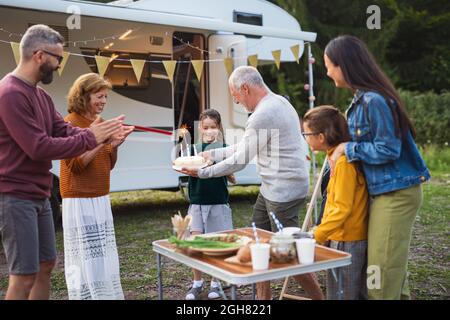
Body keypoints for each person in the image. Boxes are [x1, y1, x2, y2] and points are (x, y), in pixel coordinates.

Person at [0, 24, 124, 300]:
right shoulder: (10, 93)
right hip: (14, 194)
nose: (59, 65)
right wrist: (92, 138)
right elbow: (37, 147)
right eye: (57, 58)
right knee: (23, 275)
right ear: (39, 55)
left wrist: (103, 135)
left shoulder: (40, 96)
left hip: (40, 194)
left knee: (46, 266)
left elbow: (64, 130)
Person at [181, 66, 324, 300]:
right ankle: (262, 299)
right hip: (273, 188)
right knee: (257, 243)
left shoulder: (262, 114)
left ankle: (319, 298)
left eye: (235, 95)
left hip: (283, 192)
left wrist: (202, 173)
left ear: (245, 88)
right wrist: (213, 155)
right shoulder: (278, 102)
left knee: (291, 253)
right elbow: (245, 146)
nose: (236, 102)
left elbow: (239, 161)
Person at [324, 35, 430, 299]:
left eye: (329, 65)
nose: (327, 72)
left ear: (344, 65)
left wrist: (348, 149)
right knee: (388, 268)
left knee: (380, 274)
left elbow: (388, 149)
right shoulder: (361, 101)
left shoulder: (374, 101)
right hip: (384, 191)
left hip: (395, 193)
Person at [60, 73, 133, 299]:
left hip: (100, 196)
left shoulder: (97, 123)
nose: (103, 101)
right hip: (80, 199)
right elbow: (76, 165)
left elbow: (107, 164)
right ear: (83, 96)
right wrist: (100, 140)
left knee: (102, 257)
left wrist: (114, 145)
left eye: (105, 97)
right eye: (99, 96)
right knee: (85, 259)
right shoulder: (69, 123)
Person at [302, 105, 369, 300]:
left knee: (344, 294)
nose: (305, 137)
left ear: (320, 137)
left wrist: (317, 234)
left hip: (348, 239)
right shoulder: (335, 158)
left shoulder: (344, 163)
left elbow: (342, 209)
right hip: (339, 235)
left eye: (306, 133)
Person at [184, 109, 235, 300]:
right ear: (200, 127)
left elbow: (232, 176)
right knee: (196, 244)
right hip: (197, 202)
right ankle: (197, 282)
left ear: (219, 127)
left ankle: (216, 282)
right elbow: (184, 168)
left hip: (218, 202)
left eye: (213, 127)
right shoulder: (193, 149)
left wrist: (221, 168)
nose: (210, 131)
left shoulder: (225, 148)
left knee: (216, 244)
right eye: (206, 127)